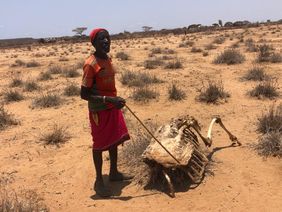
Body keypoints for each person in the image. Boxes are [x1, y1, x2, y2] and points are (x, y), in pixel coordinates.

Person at [80, 28, 132, 197]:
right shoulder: (91, 64)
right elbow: (84, 94)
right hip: (100, 110)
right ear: (93, 43)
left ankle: (114, 173)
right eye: (101, 39)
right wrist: (109, 100)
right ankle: (98, 181)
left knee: (114, 139)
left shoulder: (108, 59)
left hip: (112, 107)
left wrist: (115, 100)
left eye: (108, 38)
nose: (106, 42)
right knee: (99, 144)